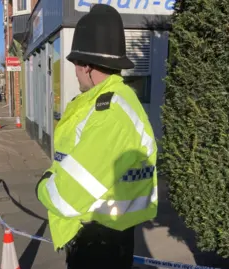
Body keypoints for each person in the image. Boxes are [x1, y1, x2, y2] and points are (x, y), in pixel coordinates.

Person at [35, 4, 158, 269]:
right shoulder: (105, 103)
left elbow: (67, 197)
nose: (76, 72)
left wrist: (43, 186)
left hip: (99, 242)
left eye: (76, 64)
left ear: (87, 65)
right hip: (105, 235)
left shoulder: (110, 113)